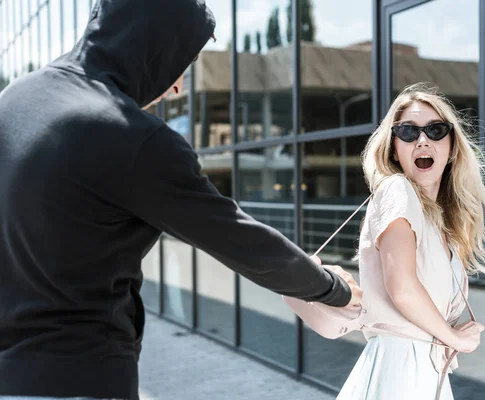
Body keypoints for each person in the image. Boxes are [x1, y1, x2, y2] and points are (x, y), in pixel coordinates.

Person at [0, 1, 361, 399]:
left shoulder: (12, 99)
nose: (177, 86)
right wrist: (333, 289)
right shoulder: (130, 136)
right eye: (181, 62)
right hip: (80, 376)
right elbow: (240, 240)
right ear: (153, 46)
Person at [336, 83, 485, 400]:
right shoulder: (398, 190)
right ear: (394, 149)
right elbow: (402, 287)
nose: (423, 140)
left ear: (452, 146)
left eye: (436, 130)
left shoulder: (439, 221)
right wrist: (457, 339)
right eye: (409, 132)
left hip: (423, 369)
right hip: (400, 369)